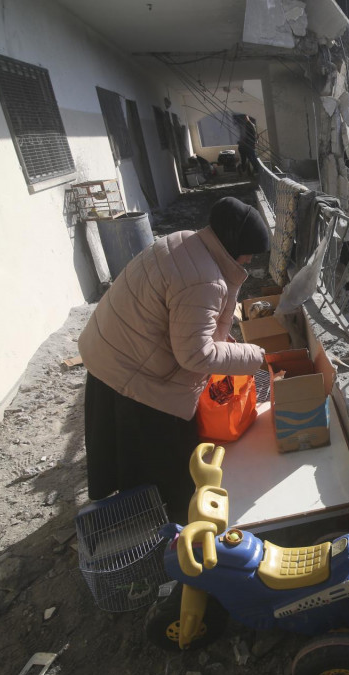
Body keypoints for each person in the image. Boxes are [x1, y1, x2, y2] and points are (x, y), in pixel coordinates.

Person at [79, 197, 270, 523]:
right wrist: (255, 357)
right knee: (166, 458)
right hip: (133, 374)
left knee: (125, 455)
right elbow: (196, 353)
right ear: (233, 243)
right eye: (249, 252)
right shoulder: (204, 280)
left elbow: (187, 322)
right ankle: (169, 528)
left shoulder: (185, 241)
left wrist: (223, 342)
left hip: (110, 350)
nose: (249, 260)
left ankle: (138, 508)